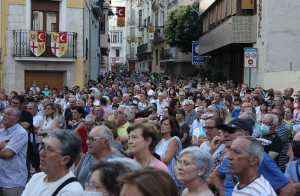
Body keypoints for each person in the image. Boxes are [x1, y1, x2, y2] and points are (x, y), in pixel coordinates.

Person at [212, 118, 295, 196]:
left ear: (246, 134)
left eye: (231, 131)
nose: (225, 134)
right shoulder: (231, 156)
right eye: (224, 131)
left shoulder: (262, 158)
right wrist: (223, 193)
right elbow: (216, 175)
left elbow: (288, 190)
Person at [21, 129, 83, 196]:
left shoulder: (71, 191)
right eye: (44, 147)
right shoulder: (36, 178)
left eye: (50, 150)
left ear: (65, 159)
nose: (41, 153)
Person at [0, 107, 28, 196]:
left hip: (13, 182)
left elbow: (7, 153)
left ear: (16, 118)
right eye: (4, 114)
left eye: (8, 115)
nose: (4, 116)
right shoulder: (1, 132)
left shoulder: (20, 133)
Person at [155, 116, 182, 189]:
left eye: (165, 124)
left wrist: (152, 160)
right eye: (162, 124)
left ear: (172, 128)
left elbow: (166, 159)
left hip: (169, 179)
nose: (162, 126)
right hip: (159, 177)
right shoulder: (162, 141)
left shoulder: (174, 139)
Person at [27, 102, 43, 172]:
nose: (28, 110)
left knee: (35, 161)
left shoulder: (39, 118)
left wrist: (27, 127)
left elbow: (31, 128)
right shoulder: (26, 117)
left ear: (36, 109)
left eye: (30, 108)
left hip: (35, 141)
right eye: (27, 108)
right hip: (27, 140)